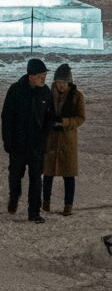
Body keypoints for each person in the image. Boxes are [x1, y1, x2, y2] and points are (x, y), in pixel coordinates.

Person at [1, 58, 54, 222]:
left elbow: (49, 119)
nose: (43, 78)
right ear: (31, 75)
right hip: (18, 145)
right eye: (40, 75)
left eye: (45, 75)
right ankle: (14, 197)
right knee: (16, 176)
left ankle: (34, 213)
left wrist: (45, 140)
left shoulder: (46, 92)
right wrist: (8, 142)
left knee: (36, 181)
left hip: (36, 146)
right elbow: (7, 118)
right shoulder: (16, 90)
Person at [42, 63, 85, 216]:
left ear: (69, 82)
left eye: (64, 83)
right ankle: (45, 203)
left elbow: (81, 118)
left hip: (68, 141)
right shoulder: (47, 94)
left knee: (69, 175)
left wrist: (65, 122)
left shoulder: (77, 96)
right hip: (51, 140)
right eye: (59, 82)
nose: (61, 85)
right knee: (47, 173)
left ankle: (68, 205)